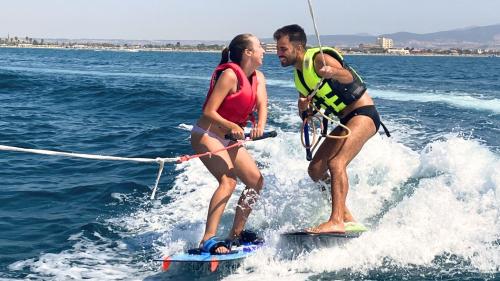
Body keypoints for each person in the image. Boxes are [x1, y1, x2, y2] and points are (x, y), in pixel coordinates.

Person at [273, 24, 389, 234]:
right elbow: (309, 116)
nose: (278, 53)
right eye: (278, 49)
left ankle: (336, 221)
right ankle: (346, 216)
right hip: (345, 120)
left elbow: (347, 76)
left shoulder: (318, 59)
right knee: (316, 170)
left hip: (364, 114)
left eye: (283, 49)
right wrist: (304, 109)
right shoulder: (299, 77)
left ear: (298, 47)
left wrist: (331, 71)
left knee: (337, 162)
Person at [190, 33, 268, 254]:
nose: (264, 50)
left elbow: (262, 105)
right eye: (260, 46)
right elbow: (208, 111)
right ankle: (207, 239)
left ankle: (236, 234)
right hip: (206, 134)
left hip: (230, 139)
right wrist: (230, 125)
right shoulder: (230, 75)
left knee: (256, 182)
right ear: (248, 52)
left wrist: (260, 125)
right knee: (229, 181)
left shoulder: (259, 77)